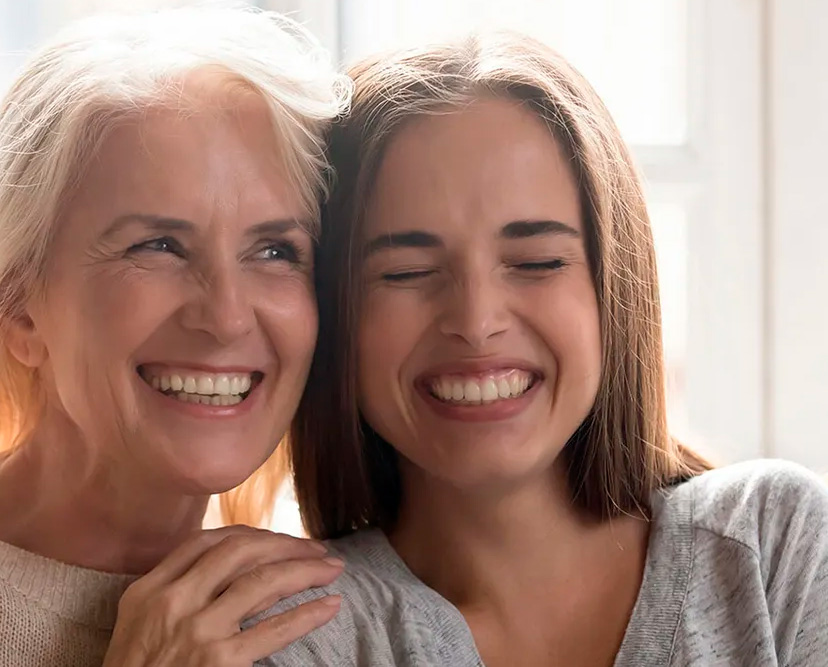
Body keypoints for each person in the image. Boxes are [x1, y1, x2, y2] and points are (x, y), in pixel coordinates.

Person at [254, 32, 828, 666]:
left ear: (614, 288)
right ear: (334, 314)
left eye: (535, 262)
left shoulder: (773, 546)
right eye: (406, 271)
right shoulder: (295, 638)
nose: (476, 322)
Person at [0, 6, 351, 666]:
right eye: (157, 245)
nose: (226, 316)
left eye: (275, 249)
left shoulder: (318, 611)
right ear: (20, 309)